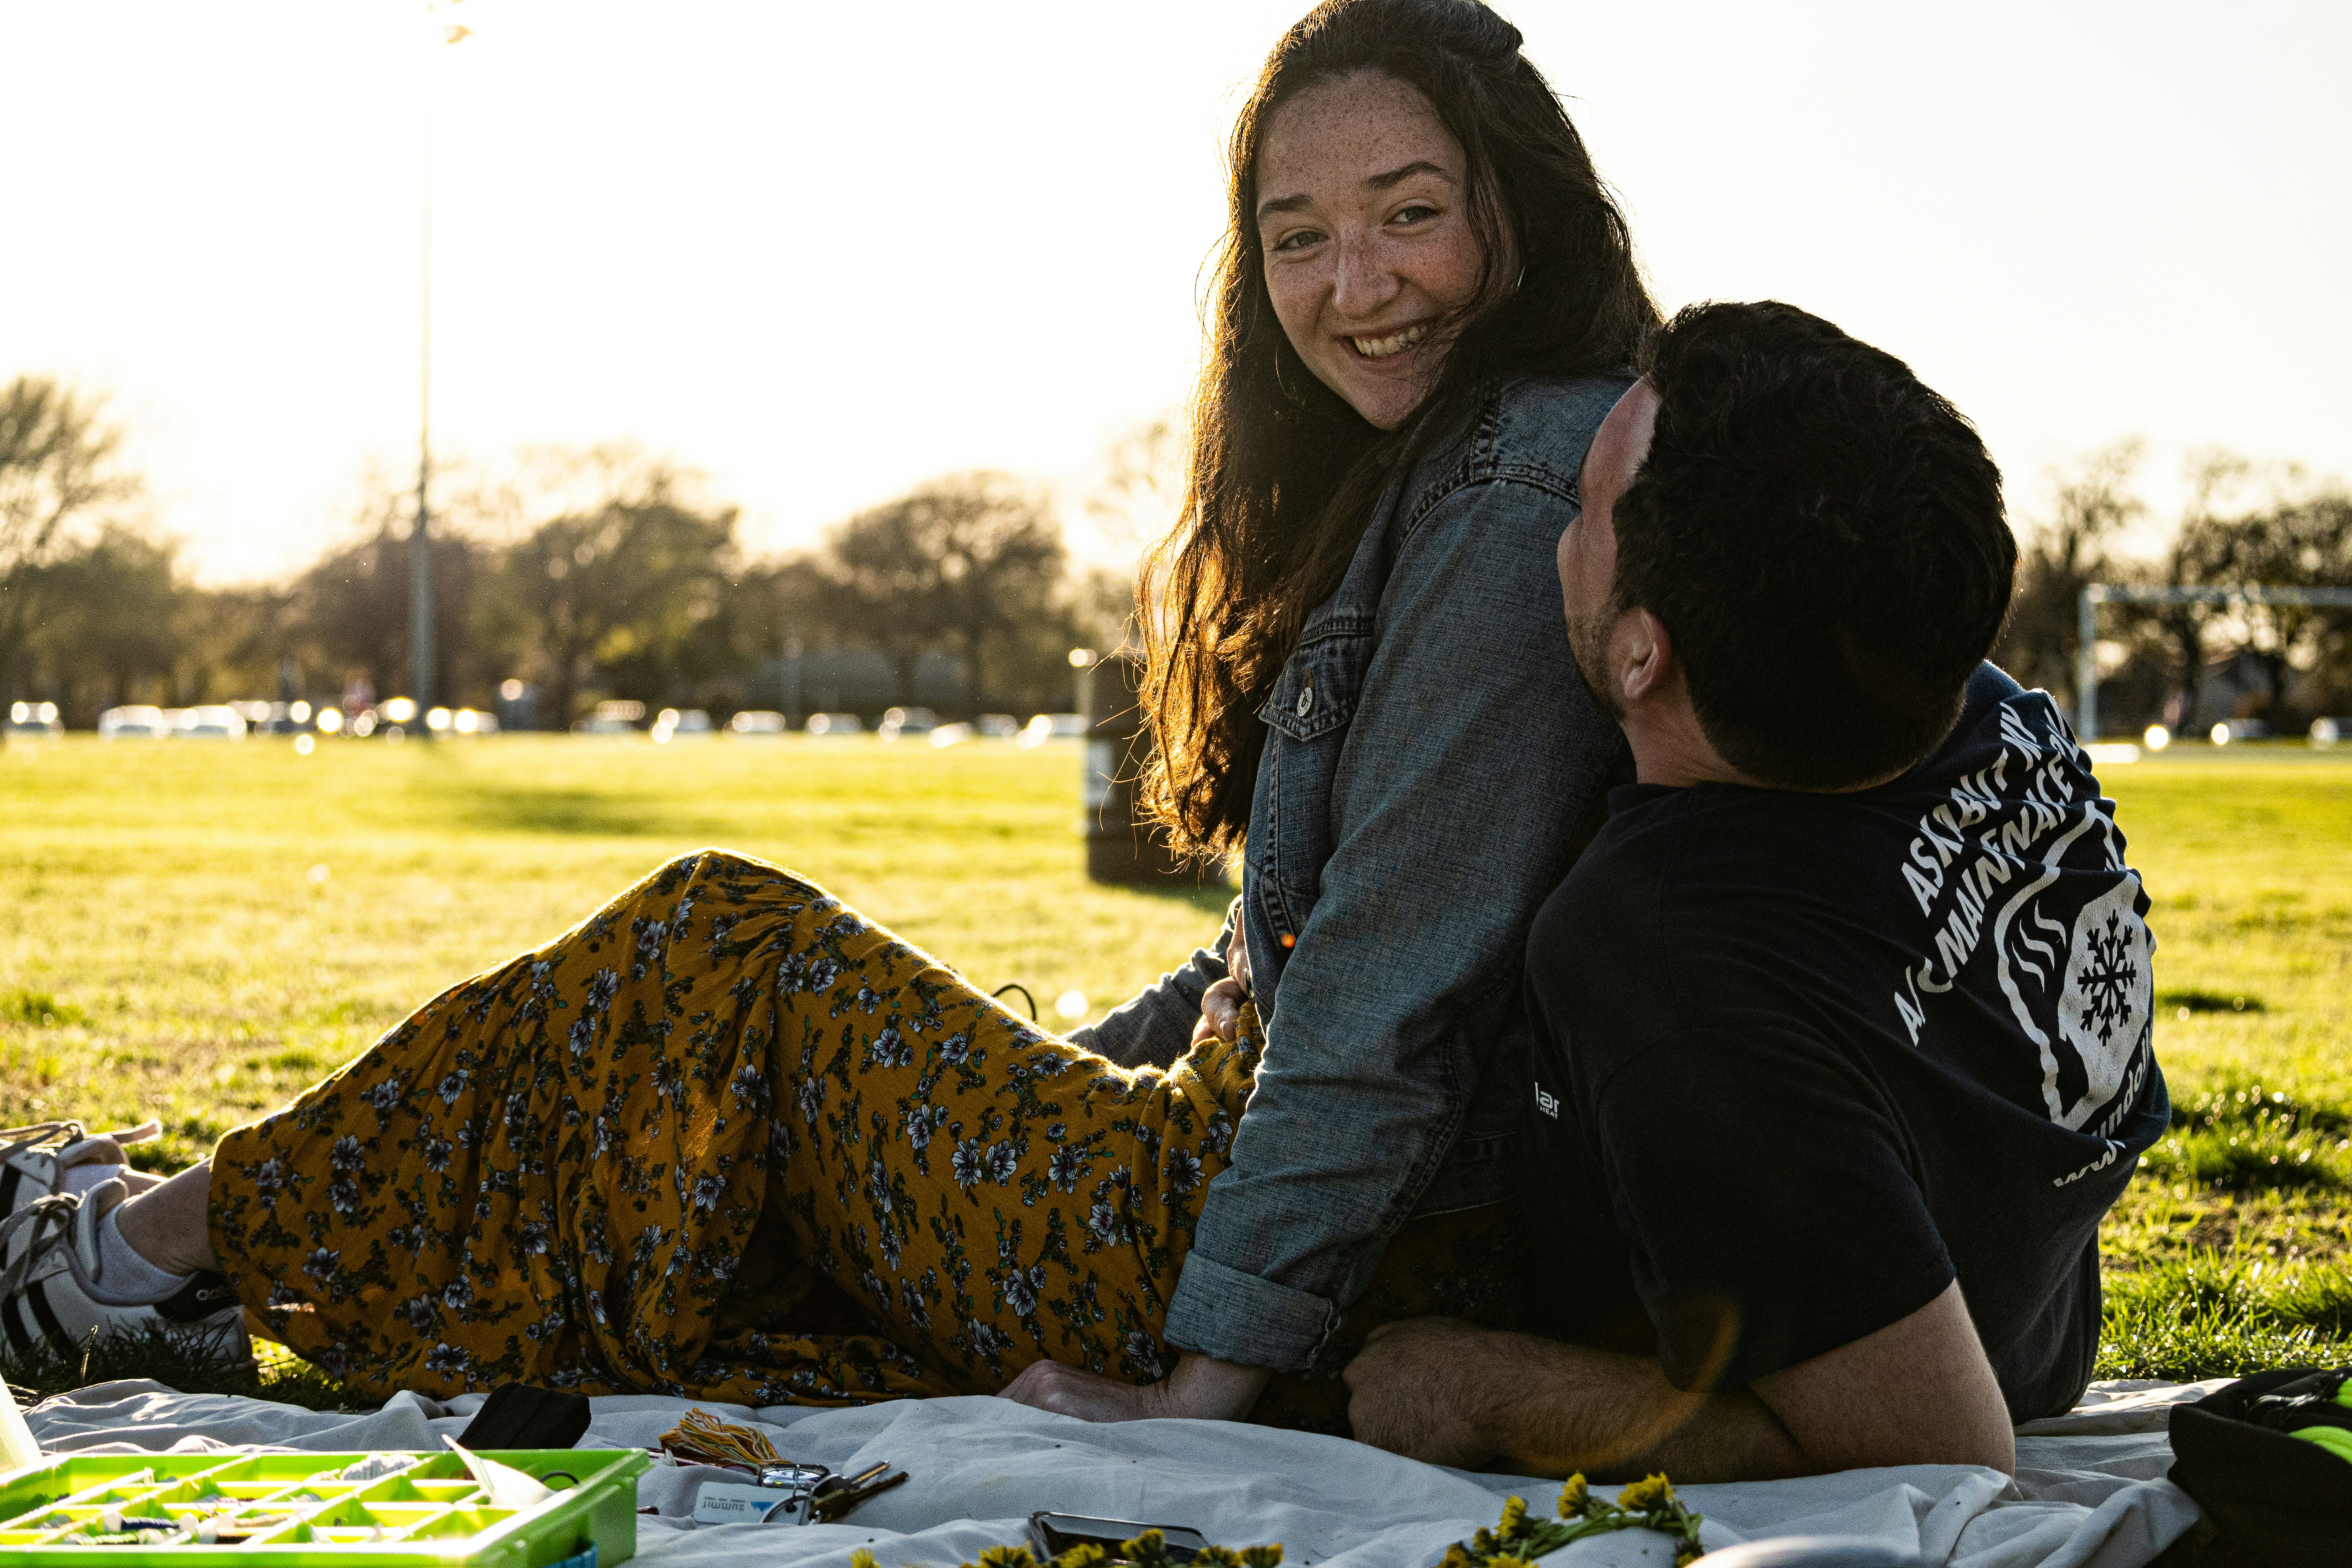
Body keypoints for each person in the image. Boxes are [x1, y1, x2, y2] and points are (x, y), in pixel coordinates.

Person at [0, 0, 1652, 1426]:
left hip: (1277, 1258)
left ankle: (125, 1258)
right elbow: (1280, 949)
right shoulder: (1462, 464)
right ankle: (183, 1243)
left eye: (1408, 213)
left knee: (729, 948)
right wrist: (1011, 1089)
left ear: (1518, 207)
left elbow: (1386, 1007)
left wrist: (1199, 1396)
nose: (1357, 284)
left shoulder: (1516, 495)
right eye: (1298, 236)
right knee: (731, 1150)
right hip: (1246, 1201)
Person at [1340, 301, 2171, 1480]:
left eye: (1584, 510)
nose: (1558, 544)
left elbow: (1943, 1447)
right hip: (2027, 1318)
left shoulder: (1664, 946)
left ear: (1642, 653)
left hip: (1892, 1360)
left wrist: (1486, 1388)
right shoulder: (1953, 690)